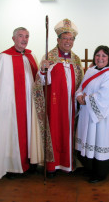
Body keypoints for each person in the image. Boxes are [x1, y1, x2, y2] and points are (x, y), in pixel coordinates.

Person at [0, 27, 39, 180]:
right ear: (13, 38)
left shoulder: (31, 55)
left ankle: (30, 163)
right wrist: (3, 106)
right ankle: (12, 166)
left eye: (27, 36)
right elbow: (1, 86)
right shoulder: (4, 57)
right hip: (11, 107)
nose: (24, 39)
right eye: (20, 36)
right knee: (11, 134)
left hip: (29, 105)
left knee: (29, 132)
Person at [33, 18, 83, 177]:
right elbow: (40, 82)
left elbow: (81, 82)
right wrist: (43, 70)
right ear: (58, 40)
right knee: (54, 132)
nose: (68, 42)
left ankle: (68, 164)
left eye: (71, 39)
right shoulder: (49, 57)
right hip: (54, 106)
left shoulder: (76, 59)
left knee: (70, 133)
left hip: (71, 106)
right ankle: (52, 166)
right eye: (65, 38)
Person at [75, 45, 109, 183]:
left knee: (99, 142)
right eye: (98, 55)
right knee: (88, 141)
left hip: (101, 118)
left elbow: (105, 97)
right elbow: (81, 88)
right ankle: (89, 169)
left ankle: (100, 173)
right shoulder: (90, 71)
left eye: (104, 56)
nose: (100, 58)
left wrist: (85, 99)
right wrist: (78, 96)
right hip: (86, 114)